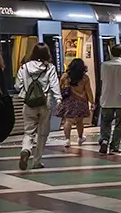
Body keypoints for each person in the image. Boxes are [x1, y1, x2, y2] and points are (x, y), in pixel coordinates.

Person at [15, 43, 59, 171]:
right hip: (45, 103)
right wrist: (59, 99)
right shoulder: (49, 67)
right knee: (42, 134)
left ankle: (26, 149)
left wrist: (27, 89)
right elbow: (54, 84)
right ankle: (36, 161)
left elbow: (17, 85)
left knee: (29, 132)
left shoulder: (24, 67)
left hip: (28, 103)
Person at [56, 58, 96, 150]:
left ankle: (67, 140)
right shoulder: (85, 78)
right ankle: (80, 137)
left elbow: (59, 87)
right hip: (81, 101)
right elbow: (88, 90)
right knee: (79, 121)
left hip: (68, 100)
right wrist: (92, 102)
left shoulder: (65, 76)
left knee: (68, 121)